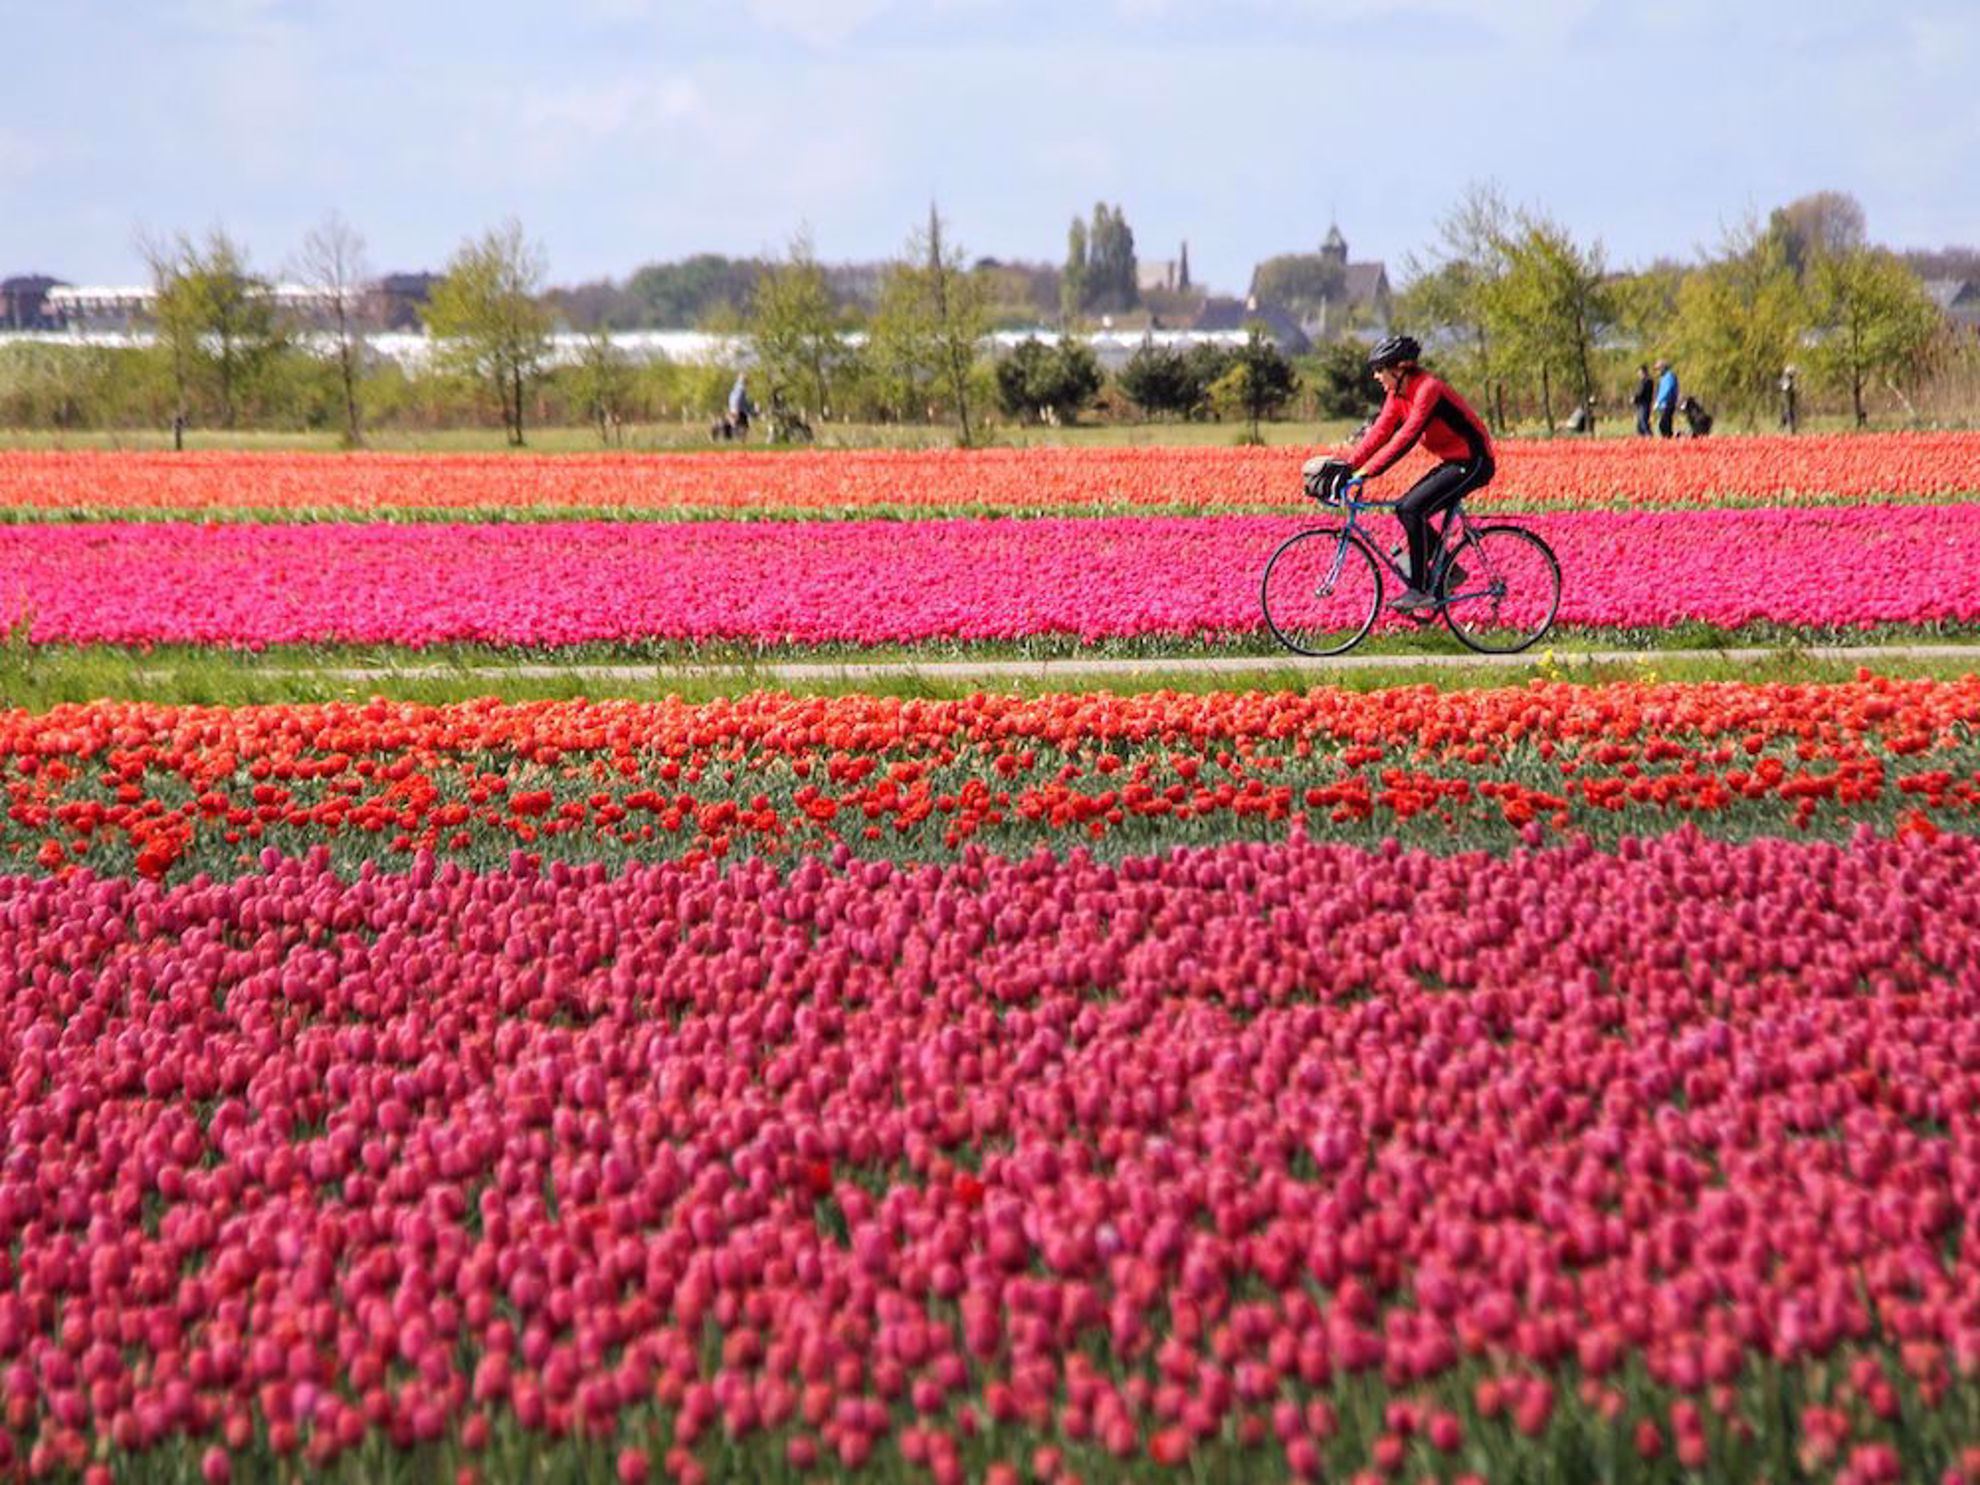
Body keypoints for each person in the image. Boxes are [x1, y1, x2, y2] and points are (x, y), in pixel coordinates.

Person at [1300, 333, 1495, 615]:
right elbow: (1380, 431)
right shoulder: (1397, 393)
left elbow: (1407, 436)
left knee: (1411, 508)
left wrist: (1367, 472)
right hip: (1454, 460)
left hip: (1474, 461)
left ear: (1400, 368)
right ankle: (1448, 571)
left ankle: (1420, 590)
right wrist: (1349, 466)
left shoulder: (1428, 389)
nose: (1376, 376)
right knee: (1407, 509)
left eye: (1380, 369)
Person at [1652, 359, 1679, 439]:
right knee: (1665, 424)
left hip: (1668, 404)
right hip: (1663, 404)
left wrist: (1658, 401)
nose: (1657, 371)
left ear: (1663, 368)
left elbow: (1667, 390)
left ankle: (1669, 438)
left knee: (1663, 424)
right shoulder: (1663, 378)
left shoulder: (1669, 376)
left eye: (1658, 369)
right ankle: (1669, 439)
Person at [1630, 363, 1654, 436]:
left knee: (1644, 423)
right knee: (1640, 424)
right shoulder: (1643, 381)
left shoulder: (1647, 381)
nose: (1639, 374)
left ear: (1644, 372)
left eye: (1640, 372)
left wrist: (1634, 398)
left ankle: (1649, 437)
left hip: (1644, 404)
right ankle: (1643, 440)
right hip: (1640, 404)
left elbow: (1641, 392)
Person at [1779, 365, 1799, 433]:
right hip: (1787, 398)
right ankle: (1790, 427)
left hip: (1789, 398)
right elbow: (1786, 388)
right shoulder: (1786, 379)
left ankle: (1785, 426)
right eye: (1793, 373)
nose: (1794, 375)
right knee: (1788, 411)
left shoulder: (1788, 379)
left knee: (1788, 412)